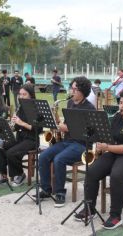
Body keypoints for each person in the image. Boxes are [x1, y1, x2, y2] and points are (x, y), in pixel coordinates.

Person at [74, 89, 123, 230]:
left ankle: (116, 216)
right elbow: (109, 137)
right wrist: (101, 144)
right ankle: (89, 209)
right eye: (120, 102)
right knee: (92, 171)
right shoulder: (117, 118)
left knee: (117, 175)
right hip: (115, 153)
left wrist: (107, 147)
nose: (121, 106)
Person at [38, 76, 95, 207]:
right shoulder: (70, 103)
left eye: (75, 89)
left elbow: (88, 132)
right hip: (67, 141)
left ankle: (60, 193)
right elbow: (66, 125)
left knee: (59, 159)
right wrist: (58, 122)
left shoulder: (89, 108)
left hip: (82, 144)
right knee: (43, 156)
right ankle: (46, 189)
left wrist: (67, 128)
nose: (71, 91)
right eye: (72, 88)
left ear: (83, 91)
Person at [0, 84, 42, 186]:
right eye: (20, 94)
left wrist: (22, 123)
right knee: (0, 148)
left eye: (24, 94)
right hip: (20, 138)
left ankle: (20, 174)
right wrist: (12, 125)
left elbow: (38, 129)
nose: (21, 97)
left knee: (11, 153)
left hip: (31, 140)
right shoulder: (20, 108)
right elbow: (16, 128)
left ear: (31, 95)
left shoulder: (36, 108)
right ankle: (3, 175)